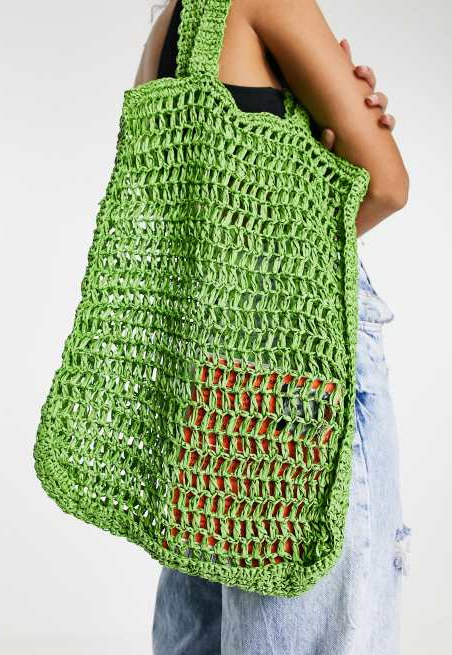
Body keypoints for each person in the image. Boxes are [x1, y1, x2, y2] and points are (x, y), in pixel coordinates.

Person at [133, 1, 412, 653]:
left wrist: (309, 146)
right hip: (302, 370)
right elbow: (387, 186)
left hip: (212, 381)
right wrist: (334, 145)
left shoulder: (164, 30)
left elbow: (186, 217)